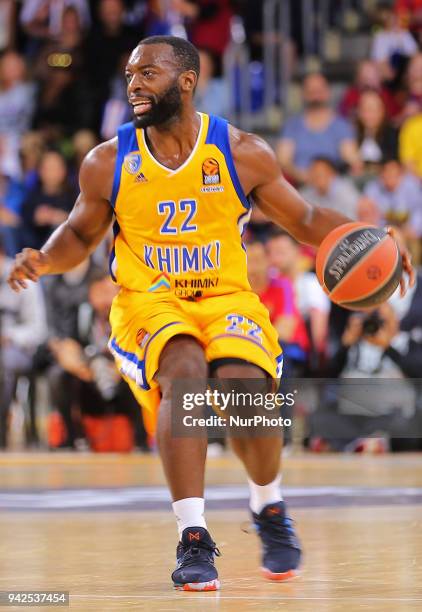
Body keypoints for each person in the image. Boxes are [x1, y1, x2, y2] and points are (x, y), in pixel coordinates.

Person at [8, 35, 414, 592]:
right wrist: (45, 258)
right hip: (148, 301)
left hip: (225, 296)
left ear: (187, 81)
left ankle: (268, 506)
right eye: (130, 74)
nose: (134, 84)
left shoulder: (241, 152)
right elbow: (80, 232)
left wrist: (372, 238)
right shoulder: (109, 160)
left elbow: (307, 217)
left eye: (147, 73)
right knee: (184, 369)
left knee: (248, 388)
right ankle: (193, 534)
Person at [277, 72, 362, 185]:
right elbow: (283, 160)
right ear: (303, 94)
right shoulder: (292, 125)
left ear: (328, 93)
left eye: (319, 91)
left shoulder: (341, 126)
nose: (316, 96)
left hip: (333, 186)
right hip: (299, 186)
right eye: (311, 92)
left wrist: (326, 179)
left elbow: (352, 159)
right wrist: (305, 177)